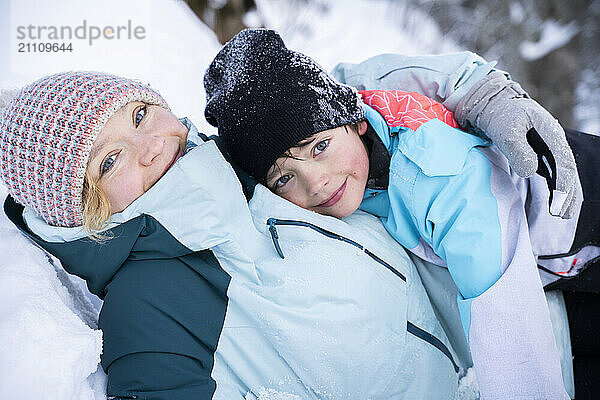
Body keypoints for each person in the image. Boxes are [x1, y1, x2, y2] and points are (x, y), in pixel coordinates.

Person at [0, 65, 580, 399]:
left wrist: (474, 85)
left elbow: (334, 84)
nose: (152, 146)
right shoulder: (147, 309)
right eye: (108, 161)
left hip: (544, 317)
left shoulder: (233, 157)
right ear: (80, 210)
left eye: (136, 115)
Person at [204, 29, 599, 399]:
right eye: (285, 178)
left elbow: (501, 304)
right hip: (557, 265)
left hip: (575, 208)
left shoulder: (436, 172)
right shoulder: (353, 155)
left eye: (319, 147)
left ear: (354, 122)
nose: (317, 183)